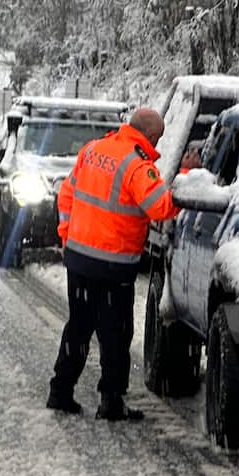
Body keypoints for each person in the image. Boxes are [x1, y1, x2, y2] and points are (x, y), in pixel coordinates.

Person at [47, 107, 199, 421]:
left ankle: (60, 391)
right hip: (113, 267)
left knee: (78, 327)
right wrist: (186, 175)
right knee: (115, 335)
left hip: (79, 259)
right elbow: (160, 207)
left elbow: (66, 195)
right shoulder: (137, 165)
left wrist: (67, 236)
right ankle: (111, 402)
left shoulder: (93, 149)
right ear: (151, 135)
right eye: (158, 136)